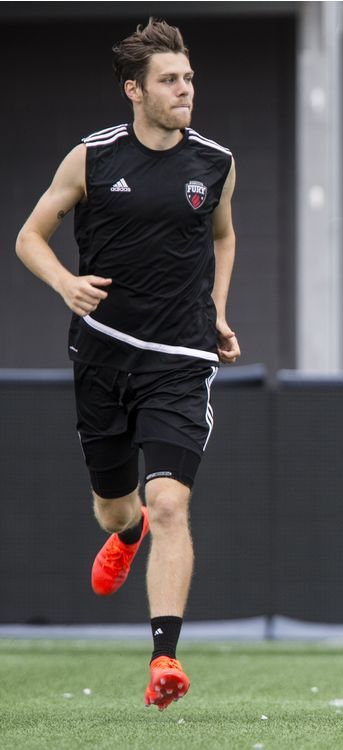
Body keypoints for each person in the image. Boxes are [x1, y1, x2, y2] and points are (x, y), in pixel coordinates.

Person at [15, 18, 239, 711]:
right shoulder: (92, 158)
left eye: (190, 79)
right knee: (118, 506)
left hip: (180, 359)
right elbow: (29, 236)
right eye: (171, 80)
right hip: (103, 357)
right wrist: (65, 285)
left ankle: (164, 657)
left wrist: (220, 313)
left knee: (172, 501)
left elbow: (224, 236)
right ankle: (127, 530)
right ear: (134, 90)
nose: (185, 90)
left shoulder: (216, 163)